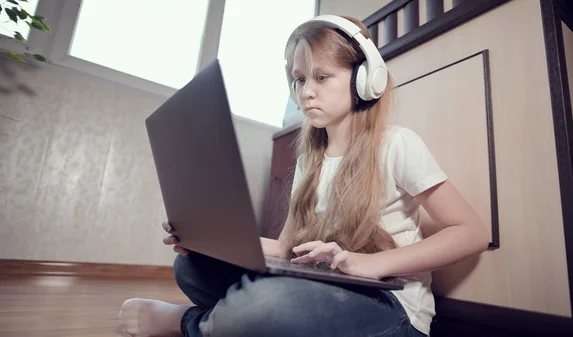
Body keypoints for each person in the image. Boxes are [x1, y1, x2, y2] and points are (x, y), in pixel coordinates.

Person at [118, 15, 489, 337]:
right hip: (322, 289)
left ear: (365, 80)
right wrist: (205, 237)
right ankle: (241, 318)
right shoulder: (312, 160)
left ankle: (191, 323)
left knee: (265, 308)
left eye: (322, 77)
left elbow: (470, 233)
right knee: (191, 266)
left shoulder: (396, 145)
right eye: (299, 80)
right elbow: (284, 248)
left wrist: (371, 264)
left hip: (390, 307)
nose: (306, 92)